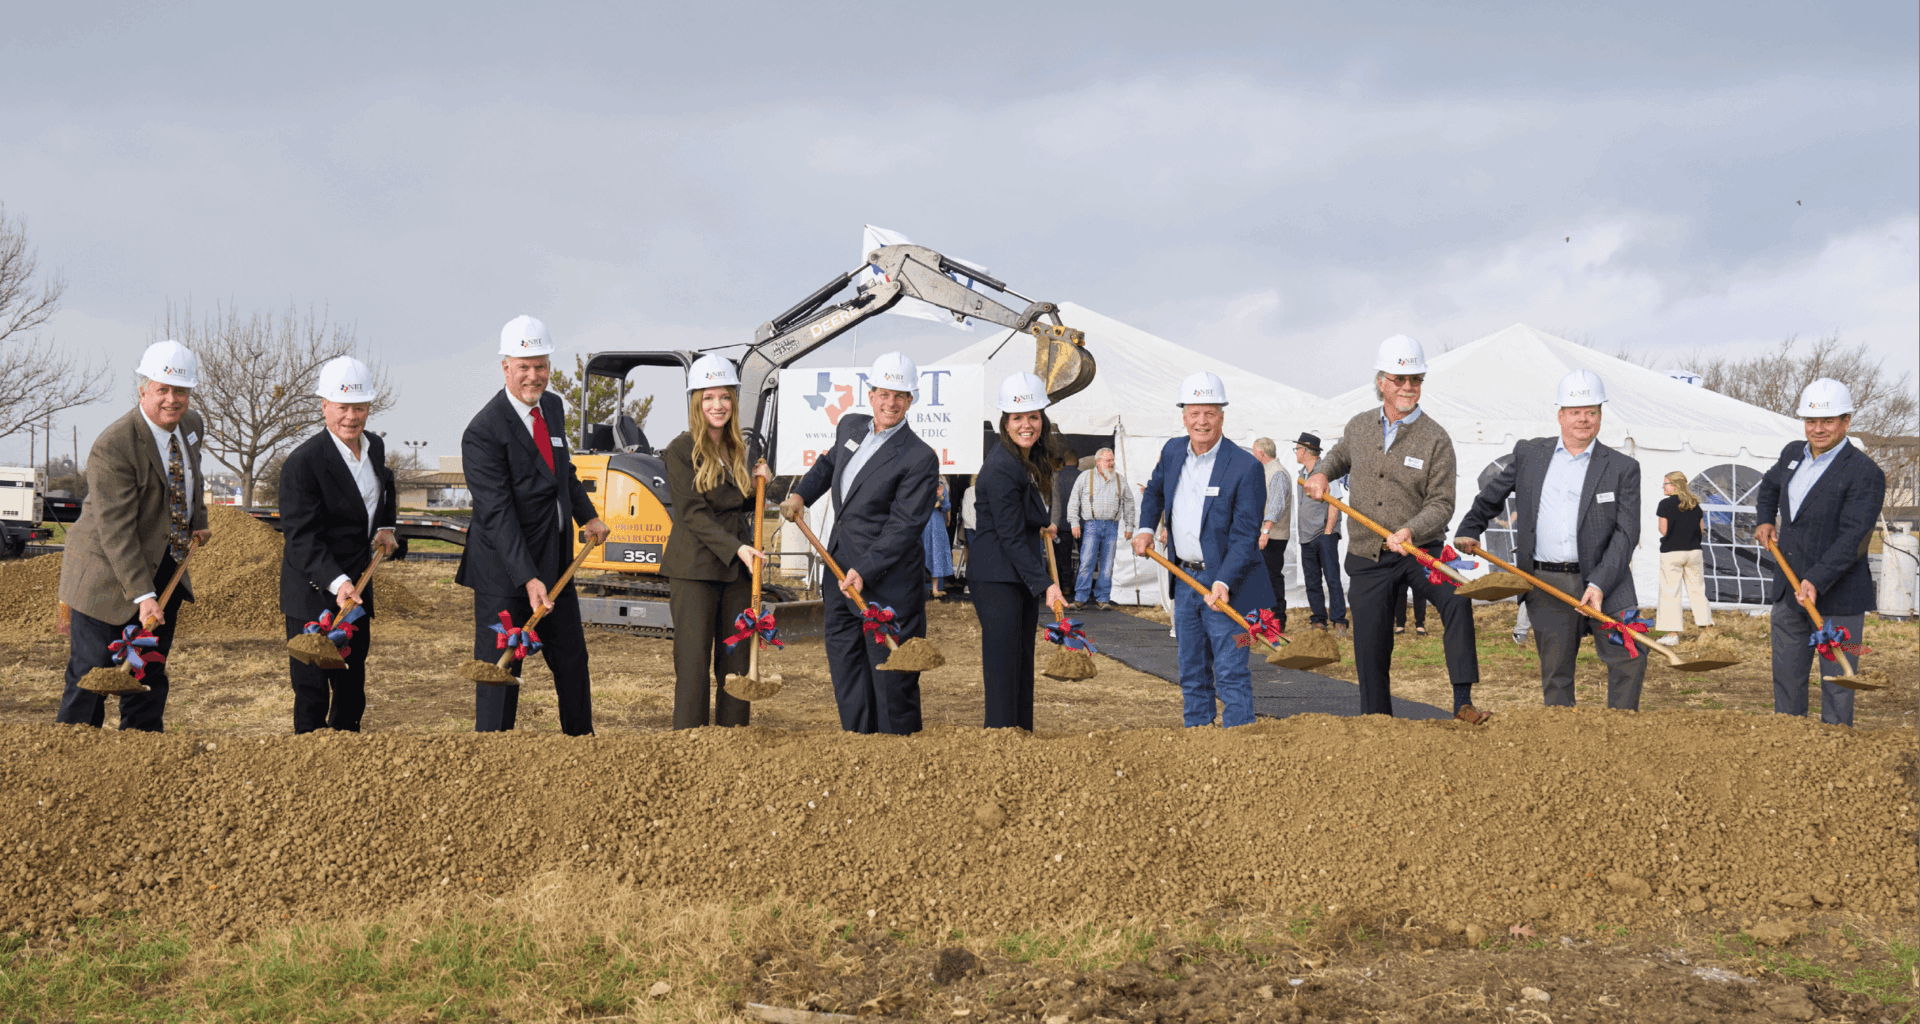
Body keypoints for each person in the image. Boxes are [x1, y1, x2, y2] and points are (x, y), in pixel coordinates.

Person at [1305, 335, 1481, 719]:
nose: (1407, 387)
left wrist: (1411, 531)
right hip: (1368, 553)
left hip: (1421, 549)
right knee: (1371, 643)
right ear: (1381, 381)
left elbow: (1442, 503)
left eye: (1415, 380)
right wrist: (1320, 473)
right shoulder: (1359, 426)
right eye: (1399, 379)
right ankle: (1376, 719)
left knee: (1457, 600)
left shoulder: (1436, 439)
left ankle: (1463, 701)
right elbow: (1336, 457)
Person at [456, 315, 611, 736]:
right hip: (505, 575)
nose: (533, 375)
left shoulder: (553, 408)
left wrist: (589, 516)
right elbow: (497, 513)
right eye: (523, 366)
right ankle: (494, 754)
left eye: (540, 365)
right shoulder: (483, 432)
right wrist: (527, 578)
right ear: (505, 367)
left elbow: (564, 472)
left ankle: (582, 745)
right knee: (501, 674)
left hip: (555, 567)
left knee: (573, 662)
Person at [1458, 370, 1646, 709]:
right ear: (1560, 414)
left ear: (1601, 416)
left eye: (1591, 411)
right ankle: (1563, 747)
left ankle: (1624, 737)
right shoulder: (1530, 454)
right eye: (1575, 411)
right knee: (1557, 673)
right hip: (1546, 582)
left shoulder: (1622, 467)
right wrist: (1470, 528)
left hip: (1609, 581)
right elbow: (1493, 494)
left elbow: (1627, 532)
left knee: (1629, 658)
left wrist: (1600, 584)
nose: (1584, 419)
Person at [56, 341, 213, 731]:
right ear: (143, 388)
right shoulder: (115, 446)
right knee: (90, 676)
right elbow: (117, 531)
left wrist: (199, 519)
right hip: (104, 575)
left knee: (147, 674)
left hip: (165, 566)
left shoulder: (191, 425)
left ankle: (141, 759)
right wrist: (144, 597)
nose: (172, 400)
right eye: (162, 389)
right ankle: (72, 758)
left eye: (181, 391)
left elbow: (191, 477)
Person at [780, 352, 940, 735]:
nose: (891, 403)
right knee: (846, 665)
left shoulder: (919, 458)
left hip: (884, 583)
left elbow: (903, 527)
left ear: (911, 401)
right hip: (839, 574)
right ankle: (857, 741)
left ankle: (895, 752)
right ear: (871, 394)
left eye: (900, 396)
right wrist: (802, 495)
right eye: (884, 393)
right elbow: (828, 464)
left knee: (890, 680)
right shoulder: (850, 426)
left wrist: (864, 569)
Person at [1131, 372, 1275, 728]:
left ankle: (1240, 737)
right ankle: (1198, 736)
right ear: (1184, 416)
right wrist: (1147, 528)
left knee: (1230, 669)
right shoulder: (1172, 450)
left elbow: (1245, 537)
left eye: (1209, 413)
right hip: (1184, 577)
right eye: (1194, 413)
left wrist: (1223, 581)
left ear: (1222, 416)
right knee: (1191, 668)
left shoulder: (1246, 467)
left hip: (1228, 583)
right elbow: (1155, 491)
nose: (1201, 422)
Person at [1753, 378, 1886, 727]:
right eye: (1811, 421)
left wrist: (1816, 579)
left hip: (1838, 597)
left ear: (1846, 422)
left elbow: (1853, 538)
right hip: (1788, 589)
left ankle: (1834, 753)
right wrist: (1766, 520)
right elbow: (1768, 486)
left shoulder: (1864, 473)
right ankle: (1791, 742)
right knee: (1786, 678)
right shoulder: (1792, 453)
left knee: (1838, 683)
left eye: (1828, 421)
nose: (1818, 429)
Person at [278, 356, 399, 733]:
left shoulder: (374, 447)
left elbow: (386, 486)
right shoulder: (304, 463)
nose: (351, 416)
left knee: (350, 685)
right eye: (342, 407)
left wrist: (385, 526)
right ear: (324, 406)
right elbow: (301, 538)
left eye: (359, 407)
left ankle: (348, 763)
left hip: (358, 588)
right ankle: (309, 765)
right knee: (312, 690)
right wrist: (338, 582)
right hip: (315, 590)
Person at [663, 354, 771, 730]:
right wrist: (736, 548)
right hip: (696, 568)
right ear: (696, 401)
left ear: (734, 402)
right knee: (693, 663)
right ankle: (690, 744)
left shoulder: (739, 449)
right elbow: (692, 513)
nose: (717, 406)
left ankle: (733, 740)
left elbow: (738, 503)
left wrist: (761, 485)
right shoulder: (681, 449)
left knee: (737, 661)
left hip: (738, 570)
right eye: (709, 398)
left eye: (724, 397)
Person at [968, 372, 1068, 729]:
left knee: (1021, 659)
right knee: (1002, 662)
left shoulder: (1024, 462)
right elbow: (1008, 537)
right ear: (1005, 423)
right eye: (1018, 418)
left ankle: (1021, 734)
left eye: (1033, 416)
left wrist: (1040, 523)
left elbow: (1019, 520)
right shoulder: (1000, 468)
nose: (1027, 425)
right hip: (997, 578)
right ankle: (1000, 736)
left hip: (1016, 576)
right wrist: (1046, 585)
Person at [1292, 433, 1348, 635]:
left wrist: (1328, 532)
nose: (1296, 453)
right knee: (1312, 581)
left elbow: (1336, 503)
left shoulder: (1325, 472)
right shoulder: (1302, 473)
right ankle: (1318, 620)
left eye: (1297, 449)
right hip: (1306, 535)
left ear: (1305, 451)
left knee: (1332, 578)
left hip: (1323, 534)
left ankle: (1339, 620)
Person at [1067, 447, 1134, 610]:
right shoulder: (1085, 477)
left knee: (1107, 564)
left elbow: (1129, 502)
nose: (1111, 463)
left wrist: (1129, 525)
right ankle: (1080, 598)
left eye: (1112, 461)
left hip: (1112, 525)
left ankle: (1103, 598)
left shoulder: (1120, 479)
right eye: (1108, 460)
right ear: (1098, 462)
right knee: (1086, 561)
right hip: (1091, 525)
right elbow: (1074, 500)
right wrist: (1074, 522)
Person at [1654, 470, 1711, 645]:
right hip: (1694, 552)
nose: (1663, 487)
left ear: (1675, 485)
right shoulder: (1695, 505)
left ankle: (1672, 635)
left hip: (1672, 552)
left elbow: (1663, 530)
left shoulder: (1665, 504)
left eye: (1666, 483)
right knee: (1698, 590)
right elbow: (1701, 530)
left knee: (1670, 592)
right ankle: (1707, 631)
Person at [1251, 437, 1290, 633]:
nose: (1253, 455)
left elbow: (1276, 505)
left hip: (1273, 536)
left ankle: (1277, 621)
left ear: (1261, 453)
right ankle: (1265, 621)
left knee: (1272, 578)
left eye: (1254, 451)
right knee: (1263, 578)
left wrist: (1265, 531)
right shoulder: (1268, 471)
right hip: (1266, 535)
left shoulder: (1277, 473)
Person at [924, 479, 953, 599]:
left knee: (936, 555)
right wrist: (933, 505)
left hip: (937, 525)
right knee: (924, 554)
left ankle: (935, 589)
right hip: (924, 525)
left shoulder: (939, 485)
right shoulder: (920, 484)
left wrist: (941, 497)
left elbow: (947, 507)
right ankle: (922, 589)